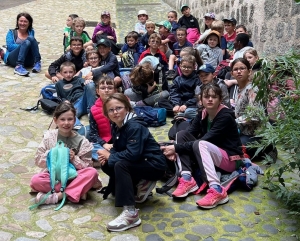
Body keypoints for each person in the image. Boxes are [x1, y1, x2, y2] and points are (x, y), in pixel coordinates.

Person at [161, 83, 244, 209]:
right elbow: (189, 134)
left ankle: (217, 189)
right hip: (212, 154)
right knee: (181, 134)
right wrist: (176, 147)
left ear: (220, 100)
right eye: (206, 96)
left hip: (230, 159)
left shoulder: (225, 116)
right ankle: (187, 178)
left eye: (214, 97)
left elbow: (205, 140)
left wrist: (175, 149)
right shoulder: (202, 113)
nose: (210, 99)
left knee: (201, 143)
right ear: (201, 100)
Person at [97, 93, 168, 232]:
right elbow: (118, 149)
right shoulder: (117, 125)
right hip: (141, 162)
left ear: (127, 108)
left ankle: (130, 214)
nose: (115, 112)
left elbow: (132, 154)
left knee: (119, 164)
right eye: (111, 110)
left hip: (154, 165)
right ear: (107, 113)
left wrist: (110, 155)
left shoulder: (134, 126)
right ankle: (140, 184)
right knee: (106, 163)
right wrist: (109, 157)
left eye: (119, 108)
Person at [30, 102, 99, 205]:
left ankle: (58, 196)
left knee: (92, 173)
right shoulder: (49, 137)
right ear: (55, 120)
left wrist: (73, 159)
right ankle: (76, 191)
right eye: (62, 119)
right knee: (35, 180)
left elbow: (88, 165)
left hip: (73, 176)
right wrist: (52, 153)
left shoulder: (82, 141)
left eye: (70, 119)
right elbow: (38, 160)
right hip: (54, 176)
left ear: (75, 120)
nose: (66, 123)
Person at [231, 58, 277, 160]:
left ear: (249, 71)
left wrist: (233, 122)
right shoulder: (239, 90)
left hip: (258, 136)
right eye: (236, 69)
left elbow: (255, 116)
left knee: (234, 149)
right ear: (232, 73)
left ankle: (268, 150)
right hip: (245, 132)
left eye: (242, 68)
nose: (239, 71)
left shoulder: (252, 89)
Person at [89, 76, 116, 163]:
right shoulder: (93, 110)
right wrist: (104, 144)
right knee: (89, 147)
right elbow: (93, 133)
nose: (106, 90)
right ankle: (112, 157)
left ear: (115, 90)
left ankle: (109, 157)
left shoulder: (122, 105)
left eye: (110, 88)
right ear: (97, 91)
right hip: (103, 142)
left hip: (119, 140)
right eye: (103, 88)